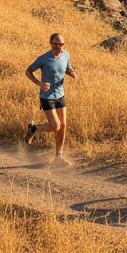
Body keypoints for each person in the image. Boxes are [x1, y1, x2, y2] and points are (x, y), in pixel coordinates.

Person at [24, 32, 77, 164]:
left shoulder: (66, 55)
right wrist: (39, 84)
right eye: (55, 43)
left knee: (63, 125)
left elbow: (67, 68)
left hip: (60, 94)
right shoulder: (44, 58)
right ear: (50, 43)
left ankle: (58, 156)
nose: (58, 46)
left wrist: (73, 74)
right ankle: (34, 128)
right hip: (46, 96)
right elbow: (28, 71)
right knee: (55, 126)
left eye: (61, 44)